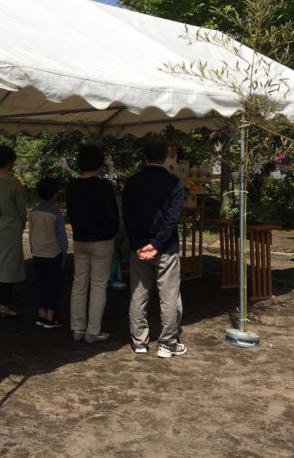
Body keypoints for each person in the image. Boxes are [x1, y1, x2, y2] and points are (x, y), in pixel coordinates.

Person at [122, 140, 187, 358]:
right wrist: (157, 244)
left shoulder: (132, 183)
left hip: (139, 249)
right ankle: (167, 343)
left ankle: (139, 341)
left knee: (138, 294)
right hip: (166, 248)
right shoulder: (175, 183)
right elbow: (172, 219)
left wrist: (140, 244)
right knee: (168, 296)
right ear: (167, 154)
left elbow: (128, 218)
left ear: (144, 155)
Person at [66, 144, 119, 343]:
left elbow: (70, 212)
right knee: (98, 285)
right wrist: (113, 233)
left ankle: (77, 328)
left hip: (80, 239)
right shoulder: (104, 186)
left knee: (79, 283)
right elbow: (113, 215)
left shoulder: (72, 185)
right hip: (102, 240)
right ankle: (92, 331)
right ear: (98, 163)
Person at [0, 145, 26, 319]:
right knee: (8, 271)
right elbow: (21, 209)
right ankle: (4, 306)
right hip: (10, 231)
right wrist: (22, 225)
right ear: (9, 162)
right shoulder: (13, 183)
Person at [29, 178, 68, 329]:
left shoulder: (33, 212)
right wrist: (64, 253)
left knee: (40, 284)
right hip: (53, 253)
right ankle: (50, 315)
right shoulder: (55, 213)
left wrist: (33, 248)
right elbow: (62, 235)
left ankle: (41, 313)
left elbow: (31, 233)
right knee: (54, 285)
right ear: (55, 195)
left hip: (37, 253)